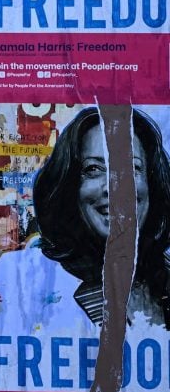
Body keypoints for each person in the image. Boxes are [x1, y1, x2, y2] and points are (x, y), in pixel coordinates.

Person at [33, 107, 170, 328]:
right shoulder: (30, 286)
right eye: (94, 169)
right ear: (69, 188)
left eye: (130, 167)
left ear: (152, 185)